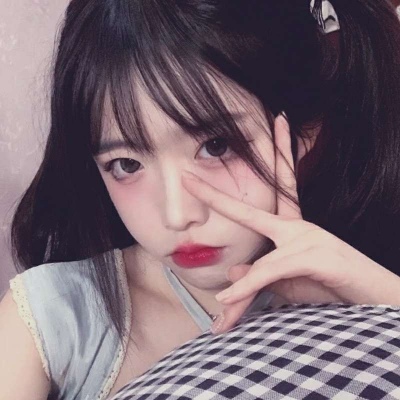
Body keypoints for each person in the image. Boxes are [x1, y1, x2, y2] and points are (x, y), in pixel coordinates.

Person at [1, 0, 400, 399]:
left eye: (216, 146)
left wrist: (375, 290)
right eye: (126, 164)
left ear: (303, 131)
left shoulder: (365, 276)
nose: (177, 215)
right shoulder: (51, 319)